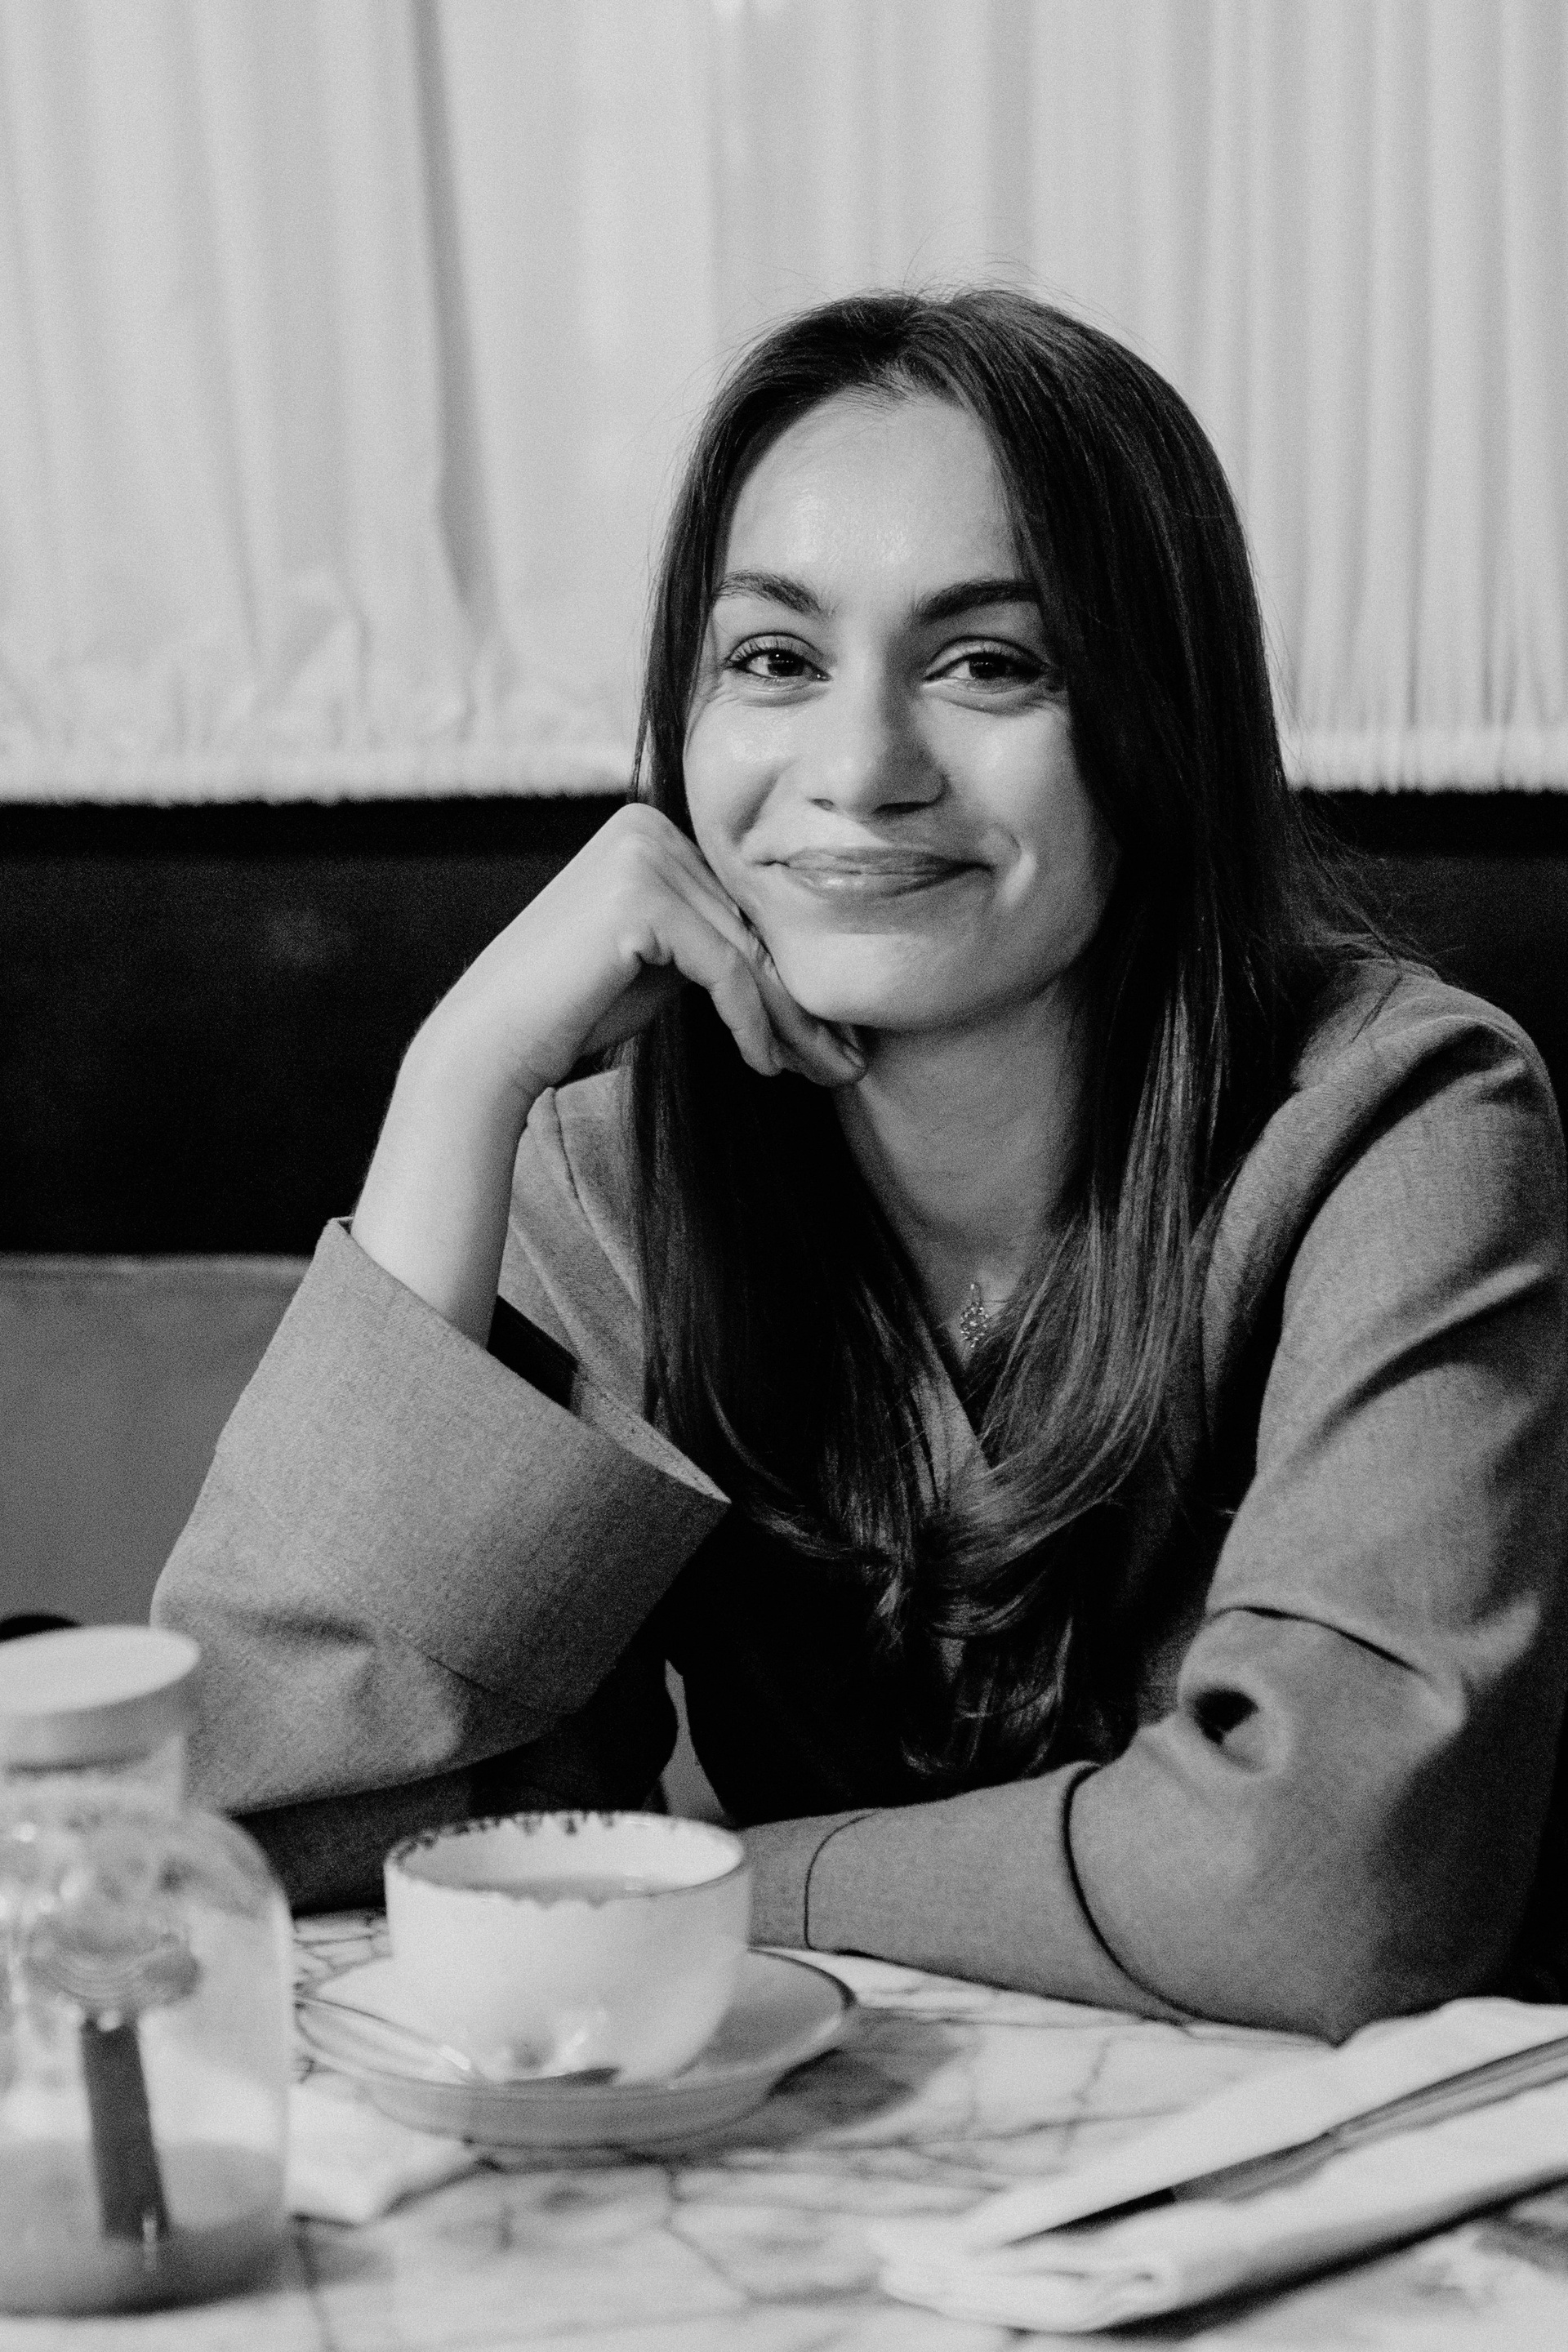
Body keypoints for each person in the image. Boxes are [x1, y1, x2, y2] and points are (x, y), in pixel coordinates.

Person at [153, 288, 1568, 2041]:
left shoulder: (1403, 1115)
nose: (863, 767)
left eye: (989, 662)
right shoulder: (614, 1184)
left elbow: (1324, 1891)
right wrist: (457, 1084)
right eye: (775, 660)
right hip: (828, 2170)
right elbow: (260, 1834)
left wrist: (721, 1881)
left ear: (1159, 723)